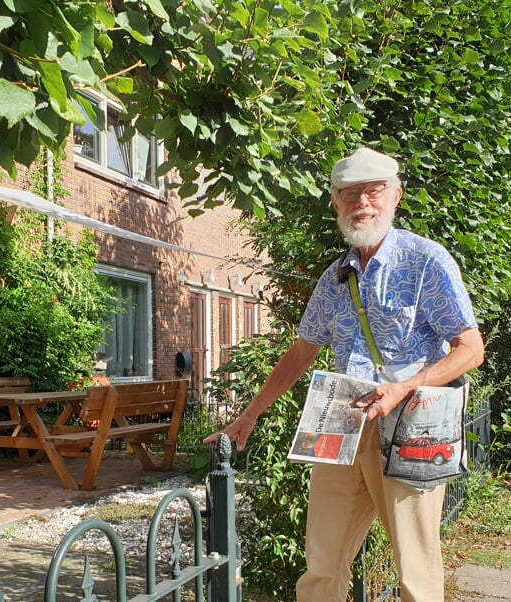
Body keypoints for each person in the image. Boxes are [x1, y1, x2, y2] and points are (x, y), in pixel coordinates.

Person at [204, 147, 485, 601]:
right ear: (335, 203)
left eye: (373, 191)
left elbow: (471, 350)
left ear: (396, 196)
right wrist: (250, 413)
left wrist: (404, 387)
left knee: (415, 570)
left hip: (409, 422)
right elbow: (301, 351)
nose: (363, 204)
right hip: (340, 419)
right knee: (322, 564)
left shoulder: (426, 262)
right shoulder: (335, 276)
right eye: (350, 194)